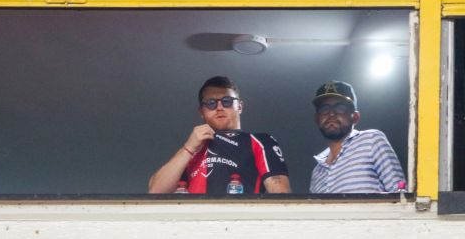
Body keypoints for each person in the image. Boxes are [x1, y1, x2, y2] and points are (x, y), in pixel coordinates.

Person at [148, 76, 291, 194]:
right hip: (193, 225)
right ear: (201, 112)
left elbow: (281, 194)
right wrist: (188, 148)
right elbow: (156, 192)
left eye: (227, 101)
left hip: (238, 223)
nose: (219, 107)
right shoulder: (192, 149)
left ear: (239, 106)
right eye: (210, 103)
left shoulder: (259, 140)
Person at [309, 80, 406, 193]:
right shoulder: (317, 171)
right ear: (316, 118)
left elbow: (400, 190)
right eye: (324, 109)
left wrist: (401, 190)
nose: (331, 114)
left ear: (355, 117)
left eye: (340, 108)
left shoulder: (371, 140)